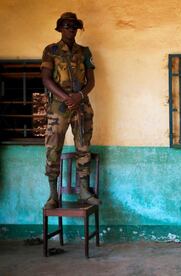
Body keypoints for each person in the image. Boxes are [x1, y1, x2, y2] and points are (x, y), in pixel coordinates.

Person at [41, 12, 100, 209]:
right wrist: (67, 98)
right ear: (59, 28)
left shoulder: (84, 52)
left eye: (74, 25)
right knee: (53, 149)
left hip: (81, 105)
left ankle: (84, 191)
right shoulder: (51, 50)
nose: (71, 28)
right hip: (59, 106)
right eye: (67, 25)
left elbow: (91, 81)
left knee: (83, 148)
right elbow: (46, 79)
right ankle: (52, 196)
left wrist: (79, 96)